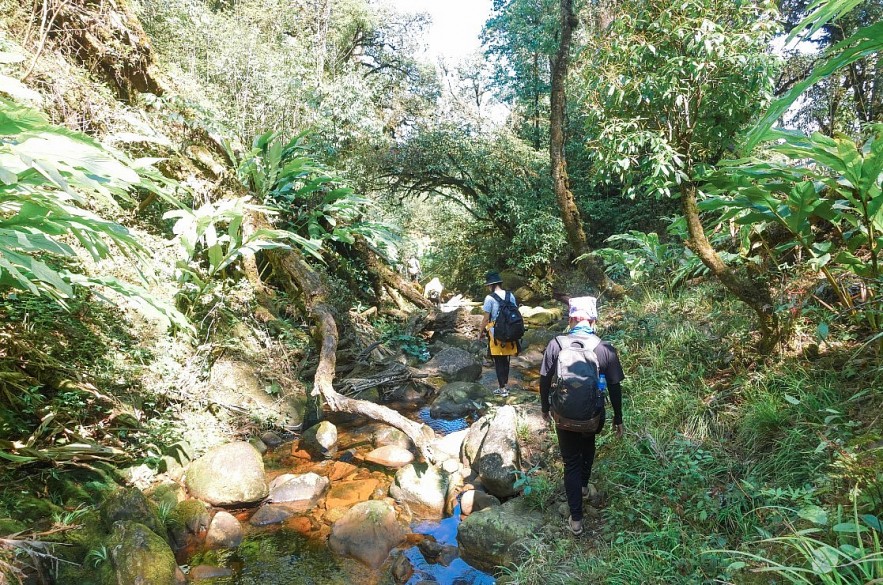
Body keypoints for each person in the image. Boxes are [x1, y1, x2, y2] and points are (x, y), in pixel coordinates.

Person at [539, 296, 625, 536]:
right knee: (588, 444)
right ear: (593, 318)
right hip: (592, 415)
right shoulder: (604, 348)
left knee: (570, 462)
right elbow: (615, 386)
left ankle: (576, 520)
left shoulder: (556, 344)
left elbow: (544, 380)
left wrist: (545, 408)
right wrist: (619, 418)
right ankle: (584, 487)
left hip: (564, 415)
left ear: (571, 318)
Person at [477, 271, 519, 397]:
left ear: (491, 285)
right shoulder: (510, 295)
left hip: (496, 333)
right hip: (510, 330)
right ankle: (504, 385)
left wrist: (480, 332)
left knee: (498, 361)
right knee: (506, 359)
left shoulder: (489, 298)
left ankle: (502, 389)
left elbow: (486, 318)